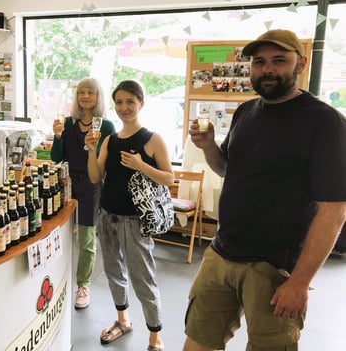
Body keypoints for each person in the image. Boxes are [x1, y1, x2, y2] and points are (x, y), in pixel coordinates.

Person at [183, 29, 346, 351]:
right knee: (196, 343)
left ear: (301, 64)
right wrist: (208, 146)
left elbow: (334, 211)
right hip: (221, 253)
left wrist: (300, 283)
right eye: (259, 62)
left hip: (275, 266)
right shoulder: (247, 111)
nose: (267, 69)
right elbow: (226, 169)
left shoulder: (325, 122)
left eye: (278, 60)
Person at [86, 79, 174, 351]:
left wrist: (140, 165)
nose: (124, 107)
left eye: (130, 102)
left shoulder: (152, 139)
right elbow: (95, 177)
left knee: (143, 279)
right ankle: (123, 320)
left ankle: (155, 336)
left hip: (135, 221)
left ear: (141, 104)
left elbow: (169, 178)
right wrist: (91, 150)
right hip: (107, 216)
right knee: (113, 272)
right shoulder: (110, 140)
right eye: (119, 102)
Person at [51, 77, 116, 309]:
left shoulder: (105, 126)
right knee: (59, 234)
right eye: (81, 92)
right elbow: (56, 158)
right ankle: (57, 278)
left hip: (91, 185)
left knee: (87, 238)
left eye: (90, 92)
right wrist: (57, 137)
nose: (85, 96)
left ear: (98, 97)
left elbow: (108, 161)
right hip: (66, 183)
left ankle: (83, 285)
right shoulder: (68, 123)